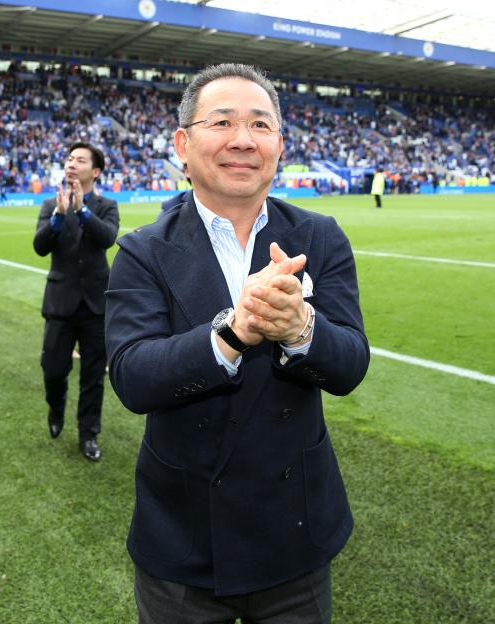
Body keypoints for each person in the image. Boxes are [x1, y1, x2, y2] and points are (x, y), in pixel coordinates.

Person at [105, 64, 369, 623]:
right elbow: (132, 375)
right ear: (183, 143)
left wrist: (301, 330)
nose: (242, 140)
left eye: (260, 125)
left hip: (294, 534)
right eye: (221, 121)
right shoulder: (142, 251)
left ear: (278, 143)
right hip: (183, 541)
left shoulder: (319, 236)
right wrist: (234, 332)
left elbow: (349, 366)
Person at [33, 143, 119, 461]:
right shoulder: (50, 204)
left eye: (80, 160)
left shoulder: (106, 205)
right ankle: (56, 409)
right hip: (60, 303)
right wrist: (59, 214)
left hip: (97, 304)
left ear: (95, 171)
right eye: (69, 159)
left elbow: (107, 237)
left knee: (93, 376)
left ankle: (88, 434)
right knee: (53, 369)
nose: (71, 164)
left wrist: (82, 210)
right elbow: (40, 246)